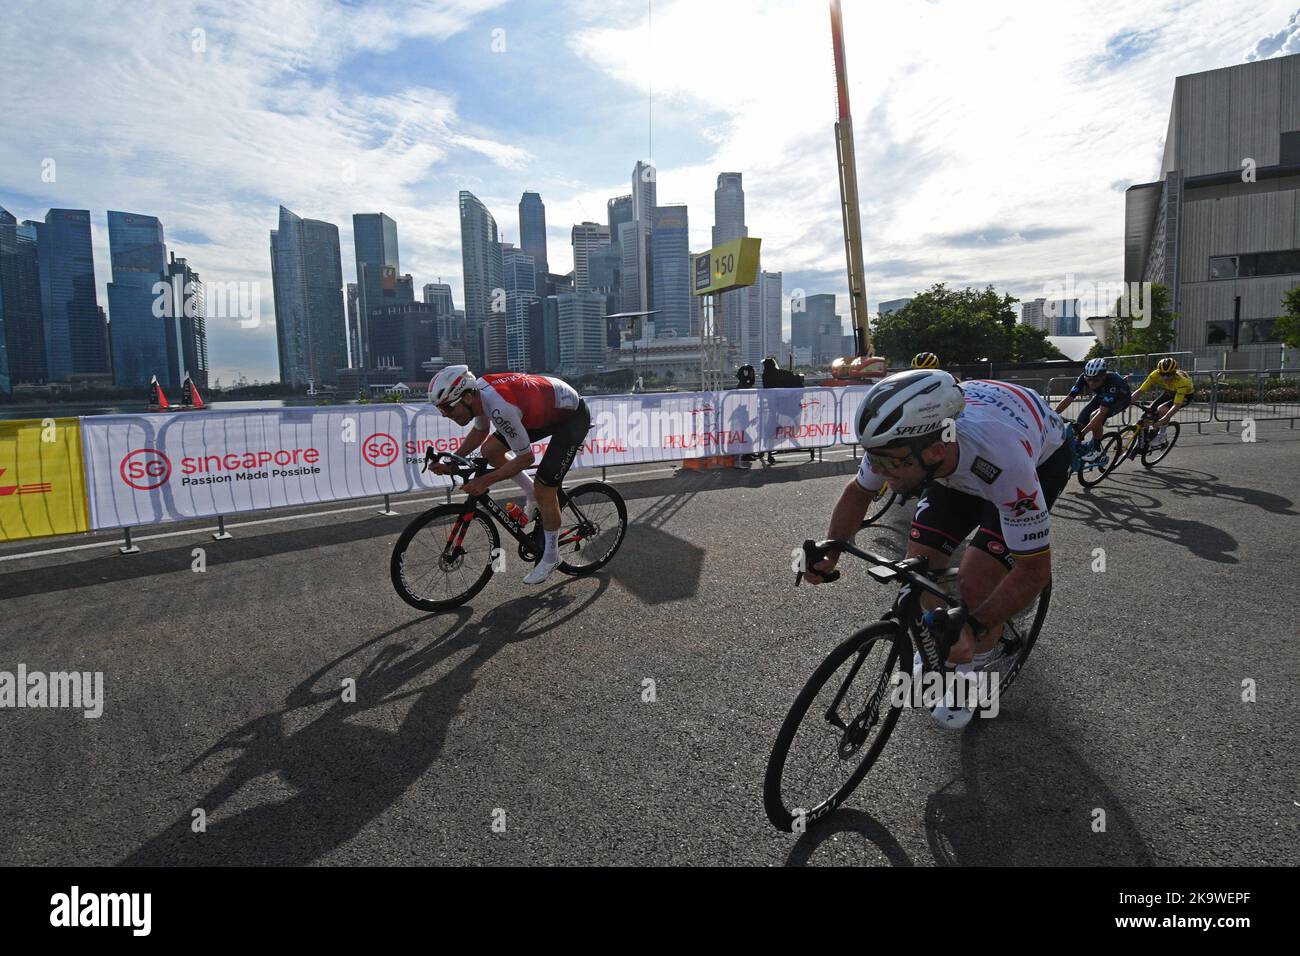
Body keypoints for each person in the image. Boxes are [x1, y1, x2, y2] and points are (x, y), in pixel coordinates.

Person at [803, 369, 1072, 728]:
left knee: (976, 587)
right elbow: (859, 492)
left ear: (934, 449)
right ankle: (943, 639)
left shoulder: (1006, 463)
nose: (883, 472)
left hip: (1036, 463)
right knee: (919, 567)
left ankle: (974, 669)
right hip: (956, 465)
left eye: (891, 463)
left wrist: (973, 626)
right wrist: (831, 550)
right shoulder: (900, 445)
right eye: (876, 460)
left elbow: (1034, 570)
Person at [427, 366, 591, 585]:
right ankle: (532, 494)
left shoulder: (499, 407)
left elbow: (525, 459)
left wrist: (484, 480)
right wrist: (451, 461)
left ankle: (551, 557)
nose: (445, 415)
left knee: (545, 489)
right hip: (539, 411)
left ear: (466, 396)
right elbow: (480, 432)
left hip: (571, 417)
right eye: (441, 409)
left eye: (447, 407)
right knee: (489, 451)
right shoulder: (479, 395)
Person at [1054, 358, 1131, 459]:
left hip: (1120, 400)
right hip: (1102, 396)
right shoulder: (1083, 377)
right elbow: (1069, 398)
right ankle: (1080, 449)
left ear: (1104, 376)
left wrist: (1084, 433)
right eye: (1088, 379)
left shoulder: (1113, 382)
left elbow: (1102, 412)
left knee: (1095, 416)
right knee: (1080, 422)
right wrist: (1052, 413)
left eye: (1095, 380)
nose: (1091, 383)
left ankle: (1097, 450)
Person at [1132, 357, 1195, 448]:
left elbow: (1176, 405)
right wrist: (1127, 402)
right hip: (1170, 391)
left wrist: (1164, 420)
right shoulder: (1155, 375)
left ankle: (1162, 435)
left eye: (1169, 375)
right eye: (1163, 374)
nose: (1165, 378)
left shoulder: (1182, 382)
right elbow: (1140, 391)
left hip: (1186, 395)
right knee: (1149, 411)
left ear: (1174, 373)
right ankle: (1143, 441)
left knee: (1162, 409)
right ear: (1159, 372)